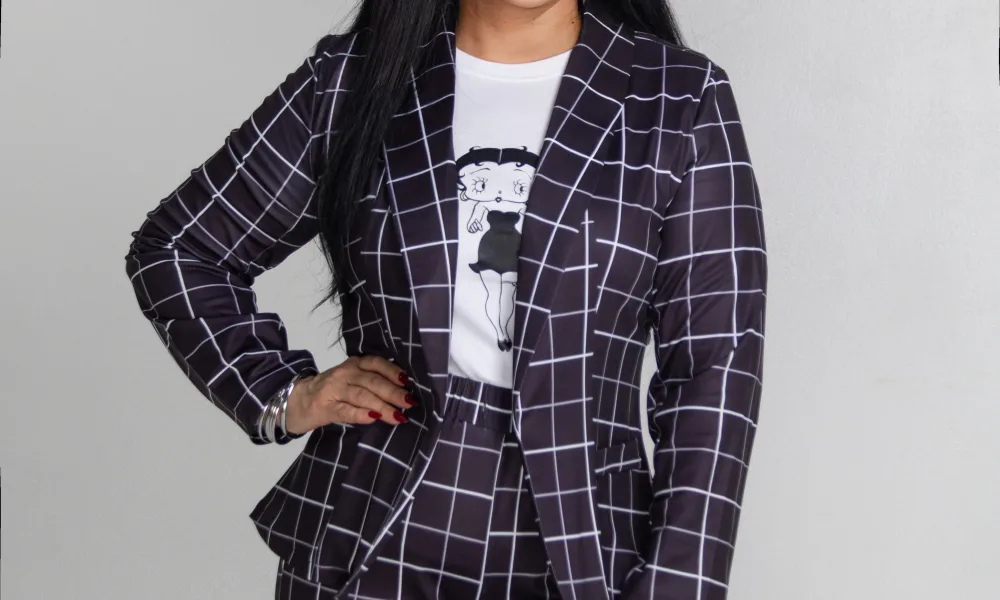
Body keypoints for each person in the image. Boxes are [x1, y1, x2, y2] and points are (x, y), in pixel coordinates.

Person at [124, 0, 768, 598]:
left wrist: (679, 584)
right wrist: (282, 394)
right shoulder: (353, 80)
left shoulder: (678, 97)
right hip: (371, 528)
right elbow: (179, 248)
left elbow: (715, 370)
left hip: (585, 548)